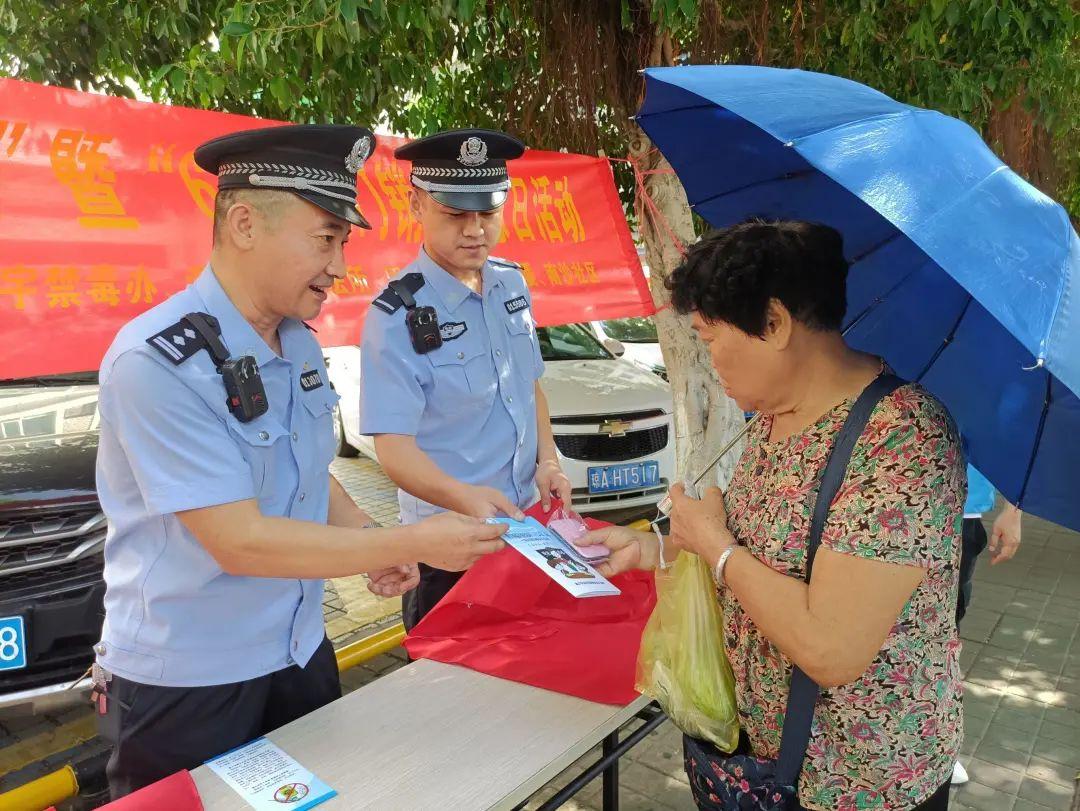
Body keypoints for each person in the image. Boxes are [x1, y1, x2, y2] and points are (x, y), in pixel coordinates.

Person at [93, 124, 506, 798]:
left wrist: (369, 540)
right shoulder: (156, 362)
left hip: (299, 654)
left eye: (343, 242)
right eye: (324, 239)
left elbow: (311, 478)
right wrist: (416, 537)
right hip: (189, 681)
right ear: (245, 223)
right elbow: (239, 540)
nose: (340, 266)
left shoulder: (298, 344)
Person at [582, 220, 965, 810]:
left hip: (863, 784)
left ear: (775, 323)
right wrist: (650, 550)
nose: (709, 360)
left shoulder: (902, 438)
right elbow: (749, 545)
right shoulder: (773, 418)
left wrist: (715, 548)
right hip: (764, 761)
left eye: (710, 338)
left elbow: (830, 649)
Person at [359, 128, 572, 630]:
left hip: (527, 528)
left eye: (489, 212)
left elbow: (528, 385)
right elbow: (394, 450)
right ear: (416, 206)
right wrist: (466, 499)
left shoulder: (511, 283)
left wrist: (549, 460)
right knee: (454, 697)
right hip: (449, 547)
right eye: (456, 214)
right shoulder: (395, 316)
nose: (475, 229)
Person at [951, 464, 1022, 785]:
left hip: (961, 515)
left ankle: (939, 745)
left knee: (946, 635)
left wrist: (1014, 508)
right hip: (876, 504)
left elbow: (1018, 427)